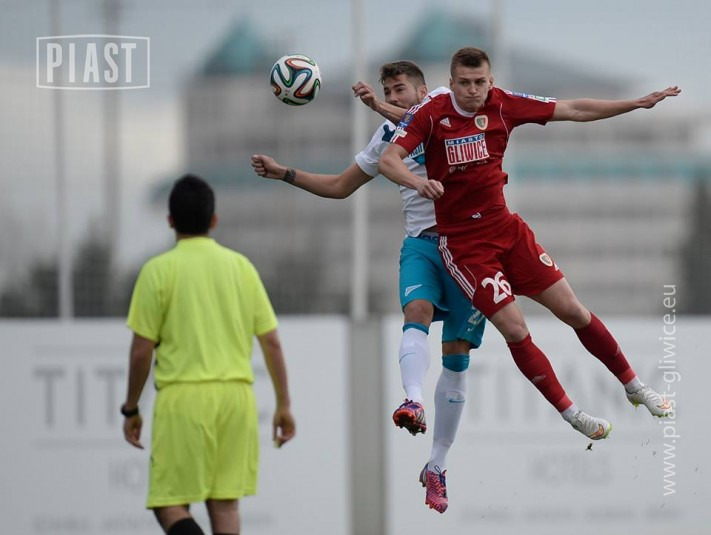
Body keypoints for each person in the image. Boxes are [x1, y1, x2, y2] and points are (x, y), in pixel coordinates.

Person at [379, 47, 677, 443]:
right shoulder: (431, 114)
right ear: (451, 84)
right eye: (464, 83)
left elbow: (573, 109)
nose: (473, 90)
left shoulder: (503, 104)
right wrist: (418, 182)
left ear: (491, 81)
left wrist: (635, 104)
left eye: (480, 83)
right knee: (515, 329)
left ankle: (634, 386)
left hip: (508, 230)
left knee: (573, 310)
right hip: (465, 247)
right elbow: (388, 159)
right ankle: (572, 414)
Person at [251, 61, 485, 514]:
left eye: (400, 90)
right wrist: (285, 173)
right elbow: (341, 186)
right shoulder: (387, 138)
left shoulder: (446, 106)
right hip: (423, 246)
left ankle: (436, 465)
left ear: (423, 90)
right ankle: (413, 401)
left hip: (470, 247)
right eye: (388, 92)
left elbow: (420, 118)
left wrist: (378, 105)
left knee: (457, 355)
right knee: (416, 311)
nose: (394, 98)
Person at [120, 174, 295, 535]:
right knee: (225, 506)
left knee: (169, 504)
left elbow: (140, 353)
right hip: (236, 400)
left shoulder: (157, 271)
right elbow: (272, 343)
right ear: (213, 220)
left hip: (183, 399)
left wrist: (132, 408)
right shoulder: (241, 267)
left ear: (170, 220)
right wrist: (283, 404)